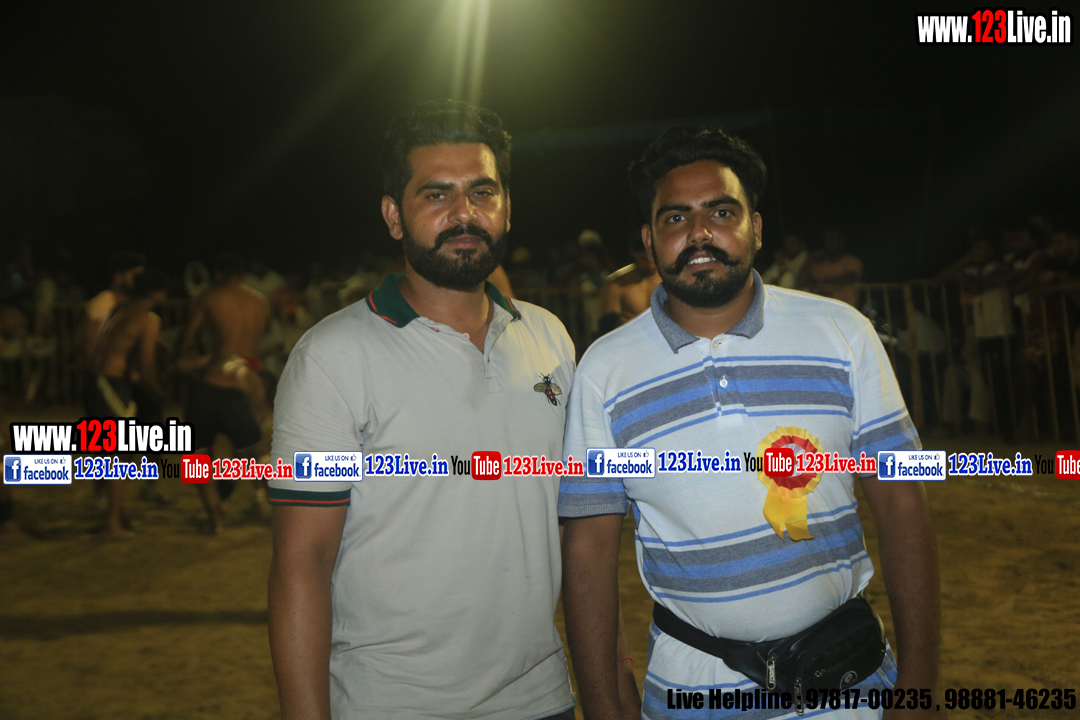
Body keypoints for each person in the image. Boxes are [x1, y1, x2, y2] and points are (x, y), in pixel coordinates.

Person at [266, 100, 639, 720]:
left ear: (507, 206)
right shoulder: (332, 356)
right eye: (436, 194)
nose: (464, 213)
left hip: (542, 700)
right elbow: (302, 562)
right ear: (394, 215)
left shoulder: (550, 339)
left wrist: (615, 680)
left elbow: (583, 542)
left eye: (482, 192)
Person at [559, 127, 941, 719]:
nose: (699, 233)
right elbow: (588, 550)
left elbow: (902, 502)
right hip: (694, 692)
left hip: (849, 681)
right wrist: (605, 707)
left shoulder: (842, 333)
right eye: (676, 217)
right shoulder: (603, 371)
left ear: (756, 228)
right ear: (649, 241)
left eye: (721, 212)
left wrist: (919, 688)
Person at [175, 252, 273, 533]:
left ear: (218, 274)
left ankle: (215, 516)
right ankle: (266, 504)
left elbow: (187, 336)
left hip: (219, 372)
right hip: (250, 372)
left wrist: (180, 362)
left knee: (199, 451)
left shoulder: (210, 296)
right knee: (254, 446)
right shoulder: (260, 300)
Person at [86, 269, 169, 538]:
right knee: (117, 454)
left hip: (100, 381)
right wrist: (159, 393)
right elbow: (145, 366)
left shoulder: (119, 308)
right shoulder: (148, 319)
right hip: (110, 383)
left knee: (114, 453)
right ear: (157, 294)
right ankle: (112, 523)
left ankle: (115, 514)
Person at [597, 234, 661, 336]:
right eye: (644, 259)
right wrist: (620, 323)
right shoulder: (616, 285)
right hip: (633, 339)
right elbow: (607, 326)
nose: (650, 265)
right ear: (633, 253)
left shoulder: (674, 280)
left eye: (653, 258)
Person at [800, 229, 863, 307]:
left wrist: (822, 283)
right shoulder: (818, 263)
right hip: (818, 308)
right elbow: (801, 282)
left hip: (844, 308)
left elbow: (849, 277)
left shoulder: (851, 261)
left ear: (842, 241)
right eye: (826, 240)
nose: (828, 243)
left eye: (832, 239)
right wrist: (809, 260)